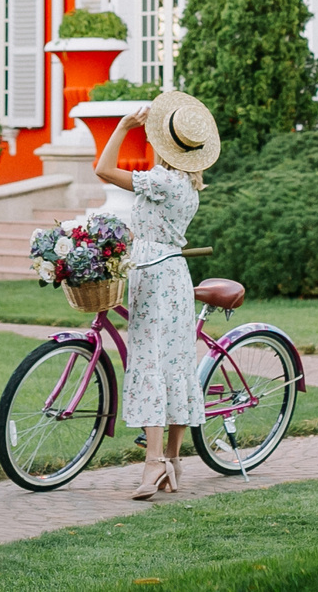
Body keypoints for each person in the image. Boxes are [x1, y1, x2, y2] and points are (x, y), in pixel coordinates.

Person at [95, 86, 222, 499]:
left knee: (150, 362)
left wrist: (121, 127)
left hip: (155, 277)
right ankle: (172, 460)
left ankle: (153, 465)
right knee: (175, 365)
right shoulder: (185, 183)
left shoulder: (163, 182)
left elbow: (103, 169)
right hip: (170, 275)